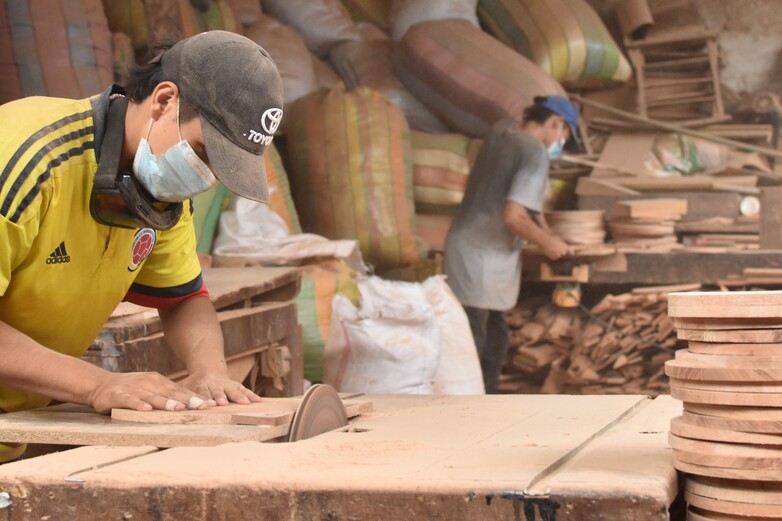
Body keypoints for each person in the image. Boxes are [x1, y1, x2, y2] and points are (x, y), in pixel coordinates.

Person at [0, 31, 285, 463]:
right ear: (164, 101)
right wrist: (97, 384)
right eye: (205, 152)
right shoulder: (27, 158)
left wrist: (209, 371)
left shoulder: (158, 194)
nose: (206, 177)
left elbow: (184, 299)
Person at [444, 95, 579, 394]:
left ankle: (482, 406)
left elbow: (526, 201)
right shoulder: (534, 152)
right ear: (556, 123)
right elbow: (514, 216)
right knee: (476, 348)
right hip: (481, 259)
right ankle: (467, 417)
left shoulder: (502, 131)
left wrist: (550, 234)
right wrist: (548, 245)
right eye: (563, 135)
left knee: (494, 336)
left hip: (465, 248)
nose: (557, 143)